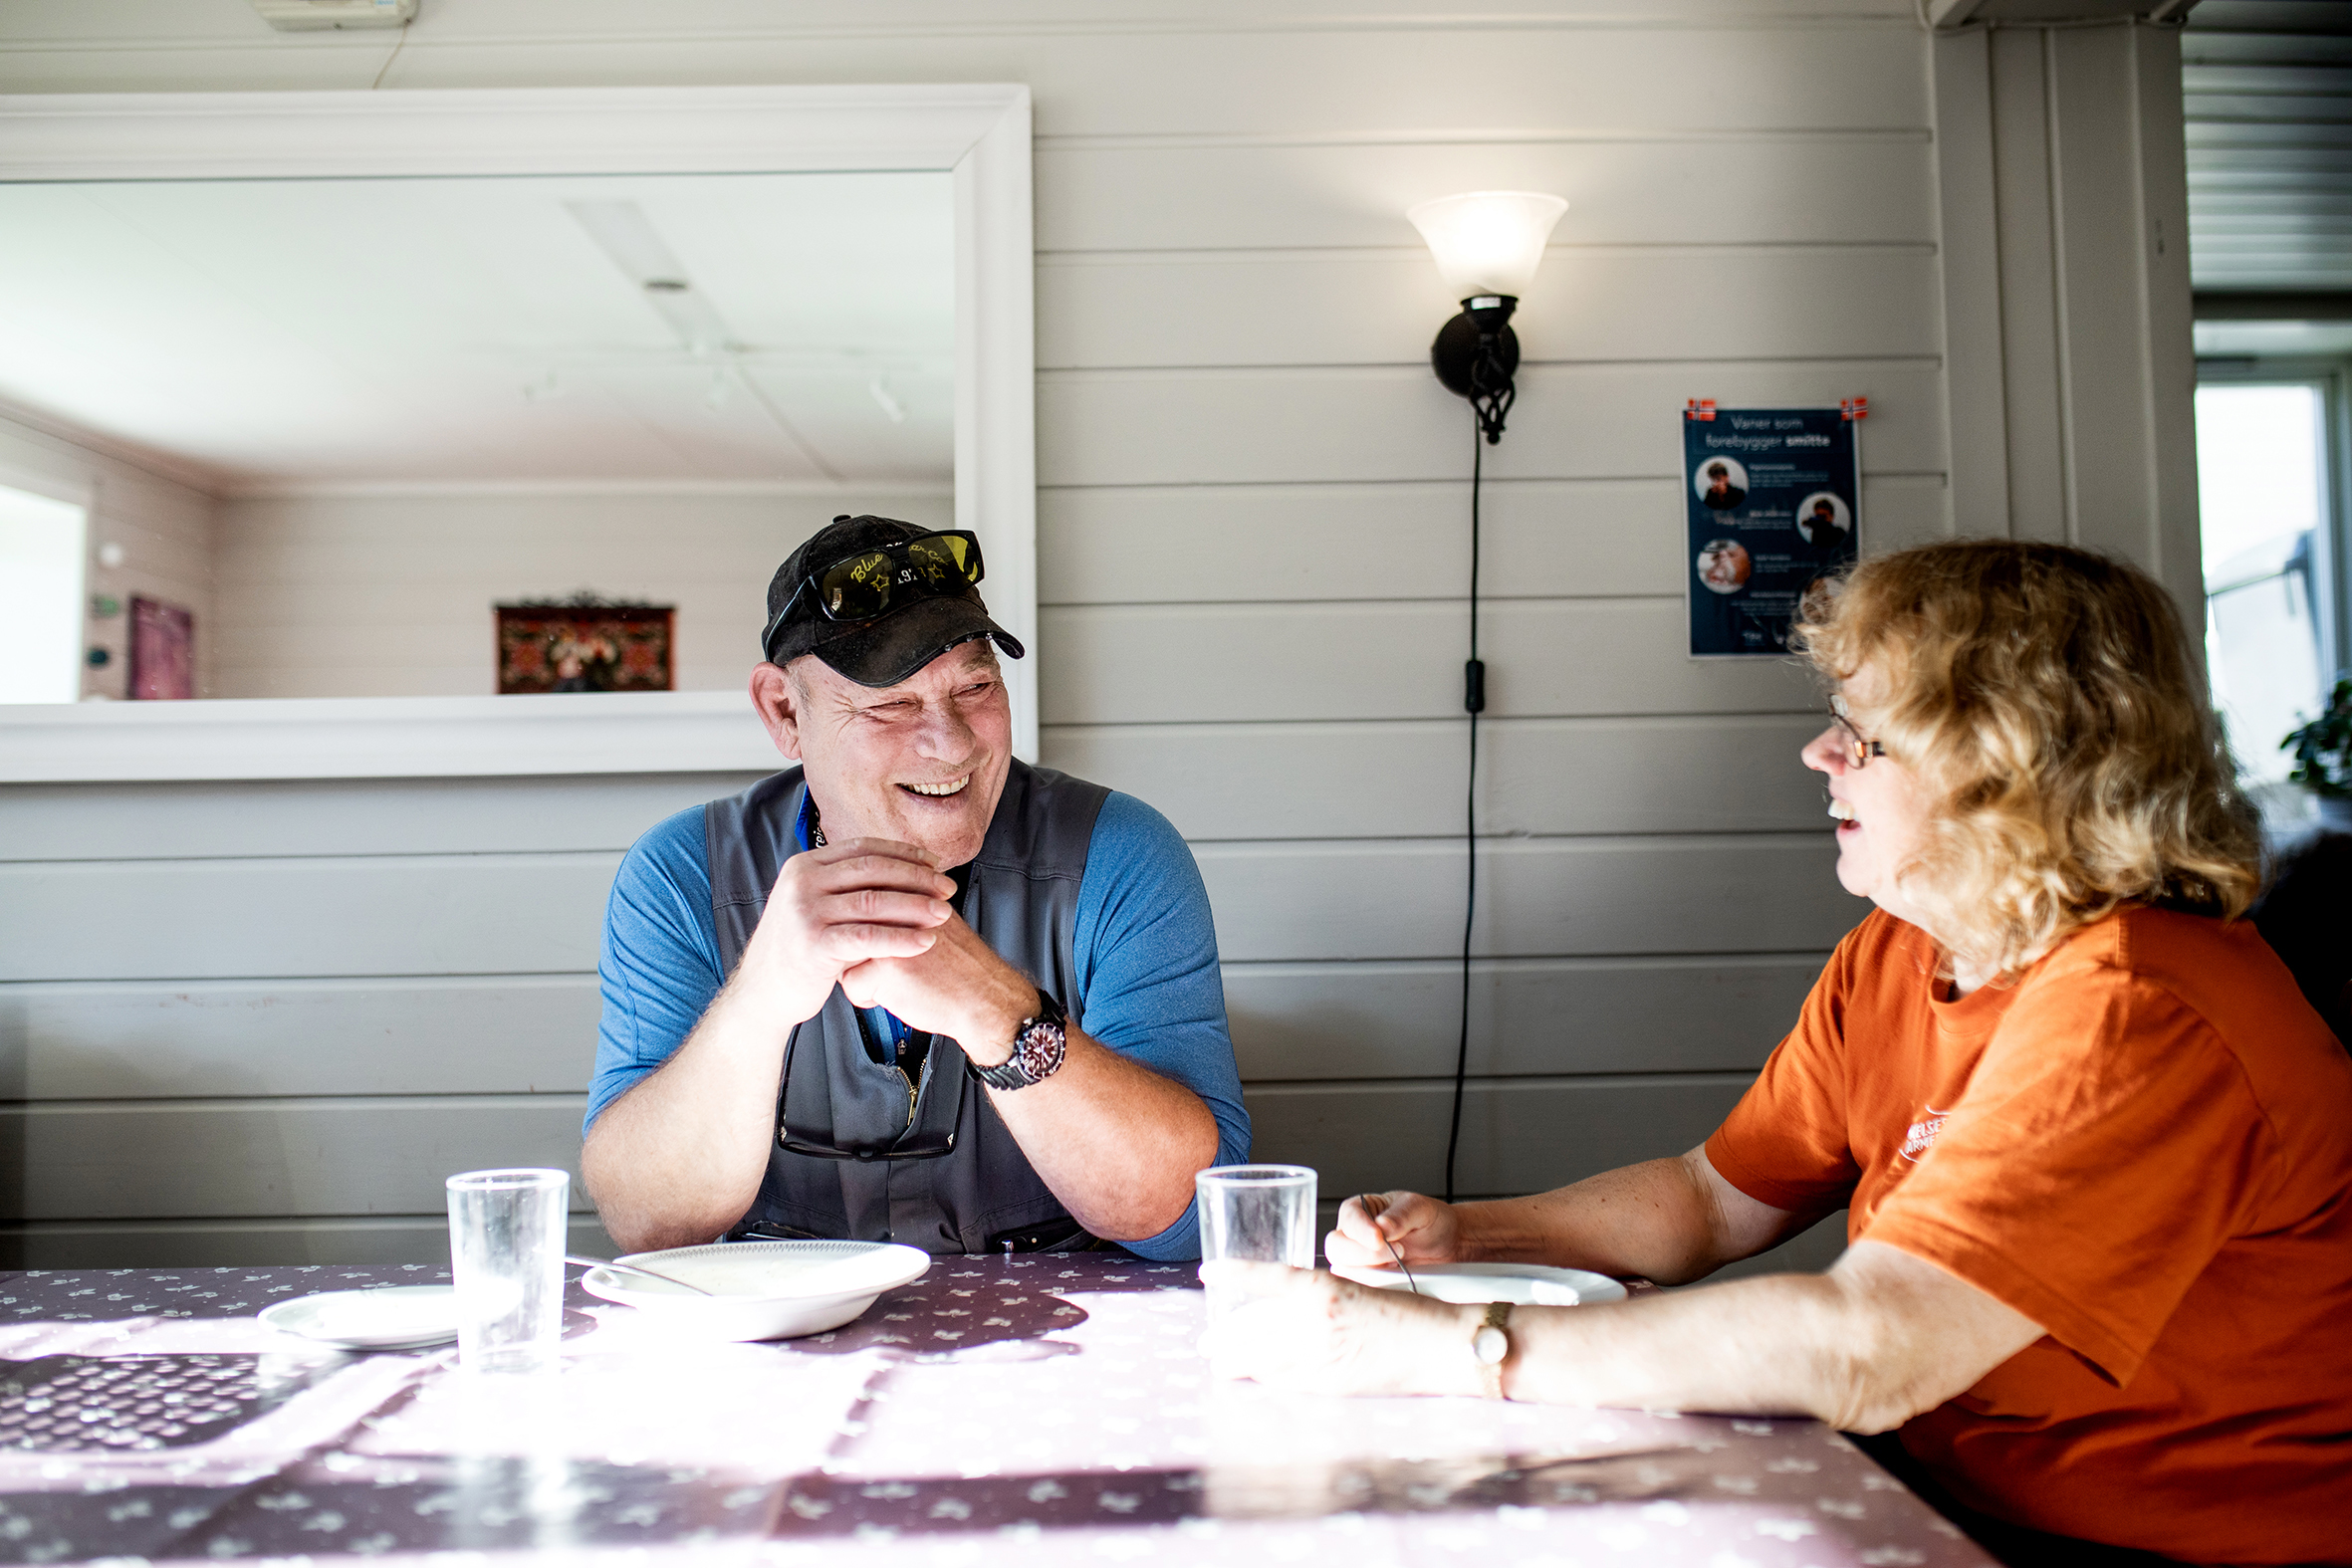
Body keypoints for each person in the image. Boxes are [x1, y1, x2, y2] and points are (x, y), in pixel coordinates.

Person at [1205, 540, 2352, 1566]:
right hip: (1941, 1499)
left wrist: (1454, 1346)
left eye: (1865, 733)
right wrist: (1468, 1232)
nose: (1818, 753)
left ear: (2004, 769)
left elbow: (1870, 1348)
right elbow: (1710, 1204)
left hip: (2171, 1549)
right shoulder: (1899, 954)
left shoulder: (2142, 1005)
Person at [582, 515, 1250, 1260]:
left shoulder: (1120, 853)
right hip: (784, 1357)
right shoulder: (681, 876)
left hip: (1064, 1354)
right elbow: (646, 1222)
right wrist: (759, 1000)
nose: (954, 741)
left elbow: (1196, 1213)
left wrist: (997, 1013)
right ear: (783, 712)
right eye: (892, 703)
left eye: (975, 685)